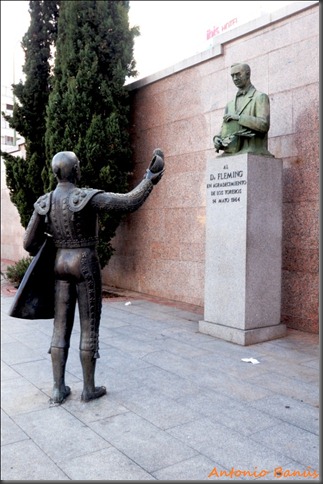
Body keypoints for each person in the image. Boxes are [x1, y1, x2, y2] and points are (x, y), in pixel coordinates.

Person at [23, 149, 164, 404]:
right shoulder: (87, 197)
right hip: (85, 262)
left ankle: (58, 389)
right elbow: (129, 202)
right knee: (89, 326)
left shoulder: (45, 202)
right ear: (75, 170)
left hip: (59, 263)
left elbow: (28, 243)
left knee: (60, 328)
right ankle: (88, 389)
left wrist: (49, 248)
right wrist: (149, 179)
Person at [213, 63, 273, 157]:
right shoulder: (230, 104)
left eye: (238, 74)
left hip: (252, 150)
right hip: (231, 152)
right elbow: (225, 127)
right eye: (232, 76)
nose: (235, 78)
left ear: (248, 74)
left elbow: (264, 125)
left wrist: (239, 118)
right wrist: (218, 138)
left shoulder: (260, 97)